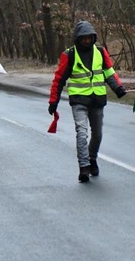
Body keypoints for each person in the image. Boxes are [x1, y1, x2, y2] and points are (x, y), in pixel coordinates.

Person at [49, 20, 127, 183]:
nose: (86, 41)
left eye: (89, 38)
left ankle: (92, 159)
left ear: (93, 38)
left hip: (97, 100)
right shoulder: (69, 55)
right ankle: (84, 167)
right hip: (79, 101)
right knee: (82, 133)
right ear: (77, 39)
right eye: (83, 38)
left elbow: (109, 73)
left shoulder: (100, 51)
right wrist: (53, 101)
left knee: (97, 134)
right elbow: (58, 79)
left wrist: (118, 88)